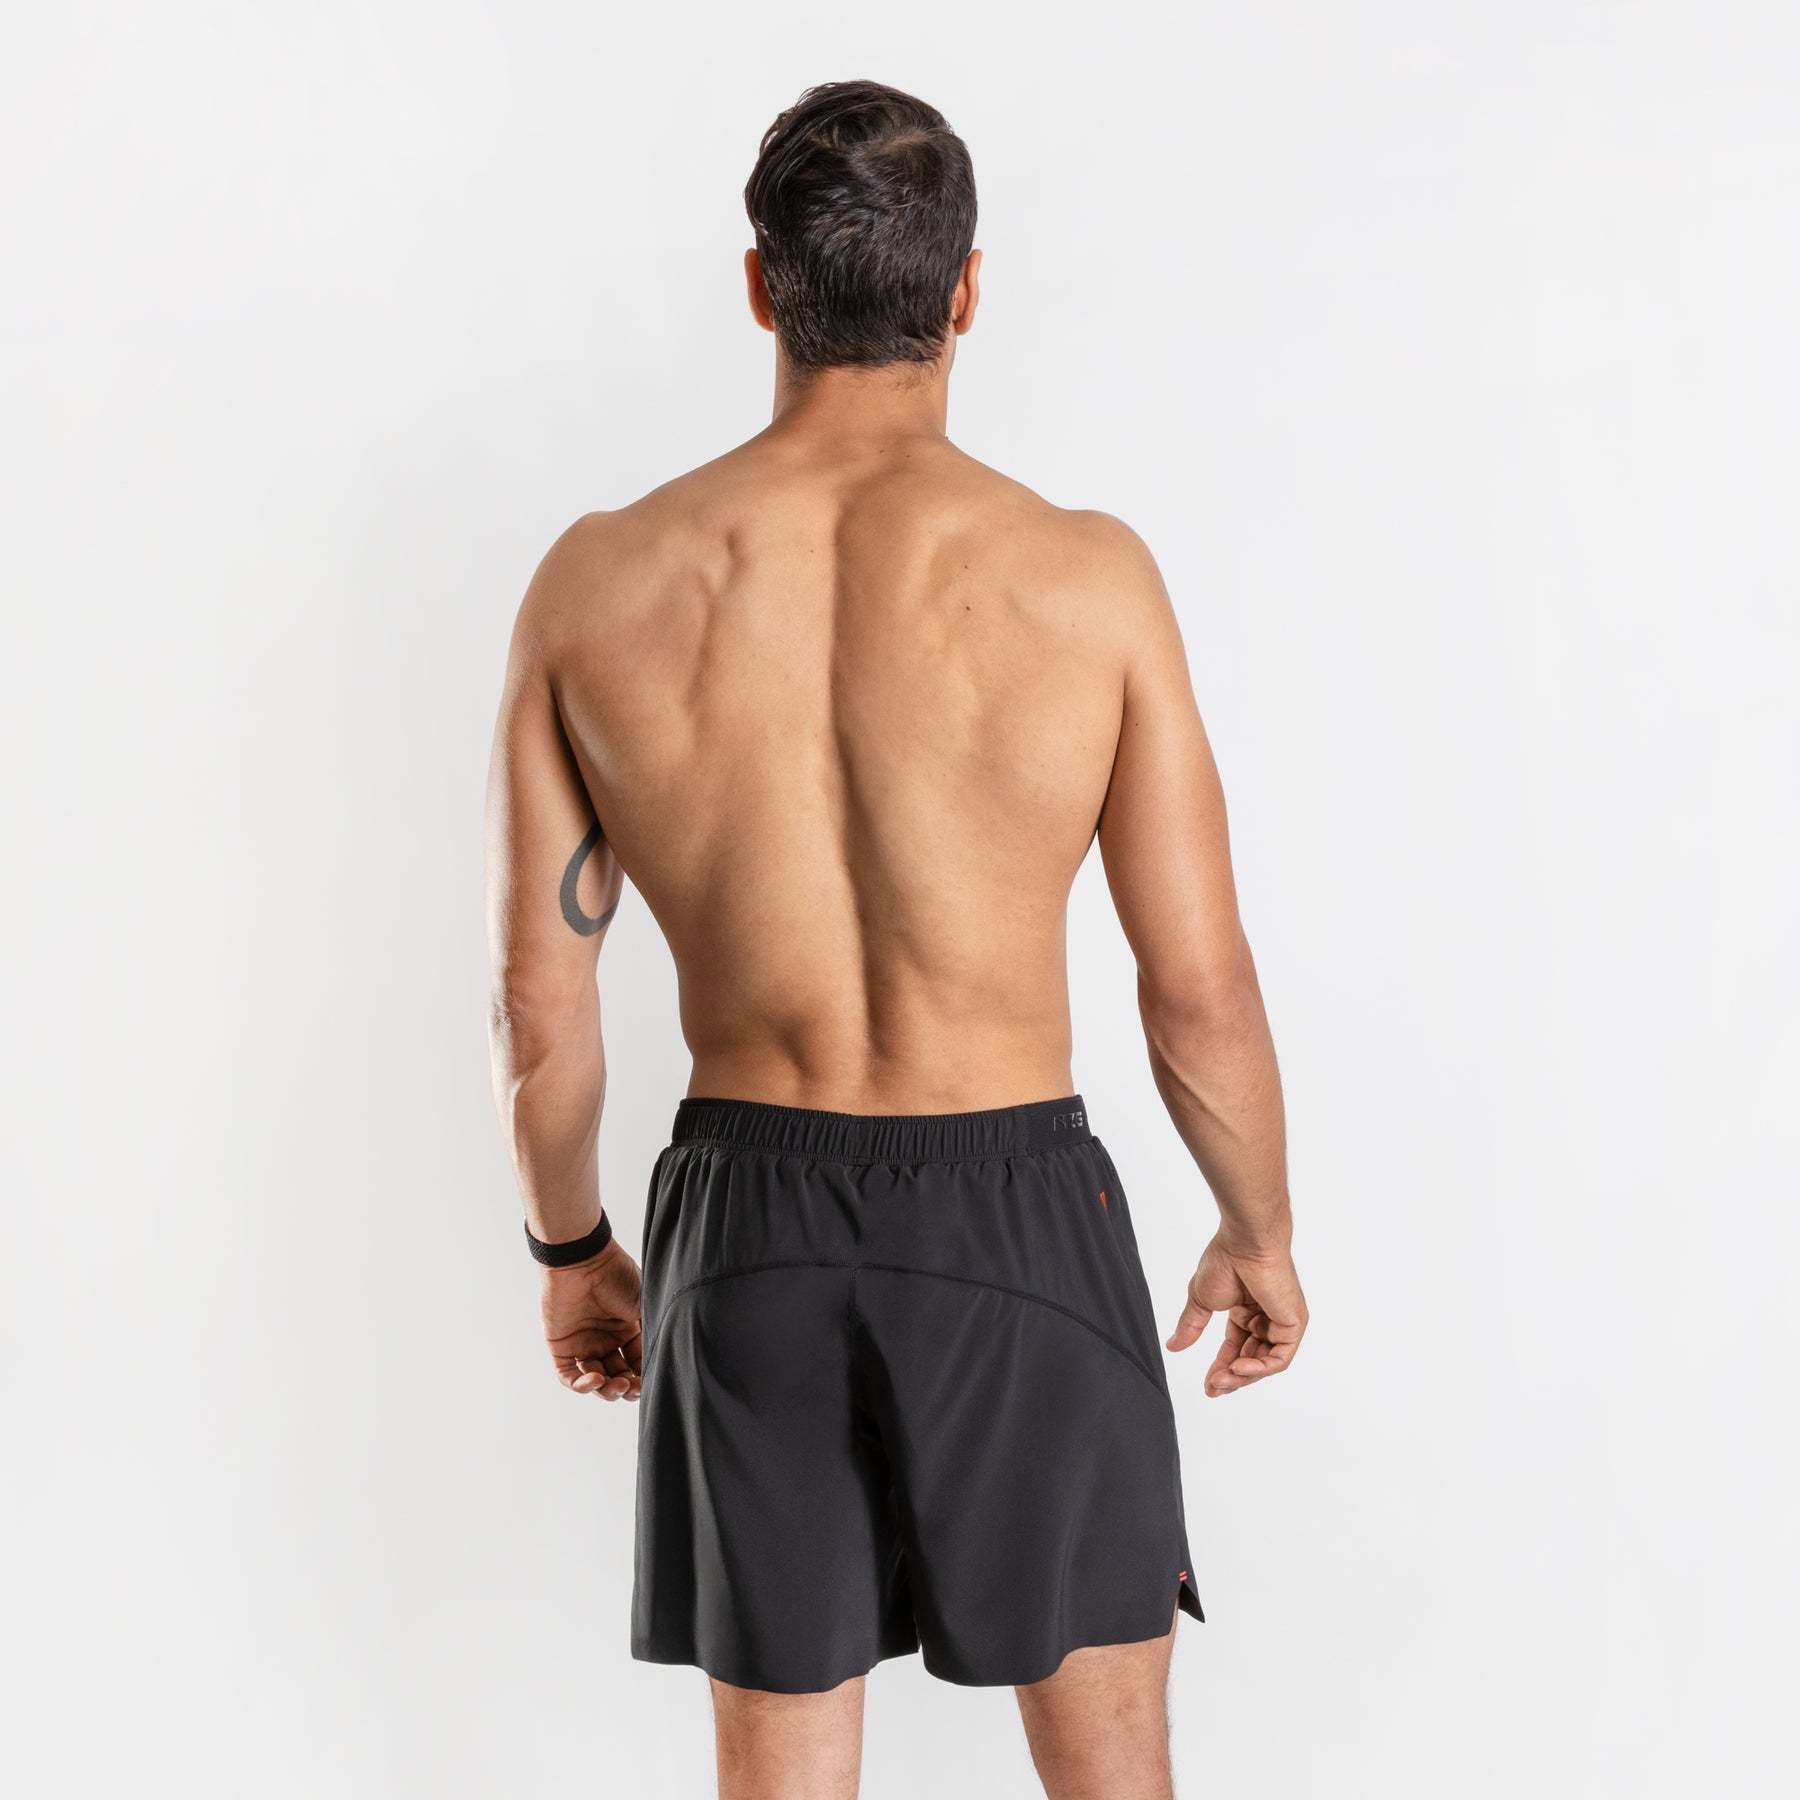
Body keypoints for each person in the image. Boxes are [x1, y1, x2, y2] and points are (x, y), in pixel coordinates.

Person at [484, 78, 1306, 1800]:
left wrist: (573, 1249)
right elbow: (1196, 983)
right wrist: (1258, 1231)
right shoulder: (1084, 580)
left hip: (745, 1221)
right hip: (1015, 1208)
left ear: (761, 287)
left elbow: (538, 1004)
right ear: (968, 290)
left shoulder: (598, 583)